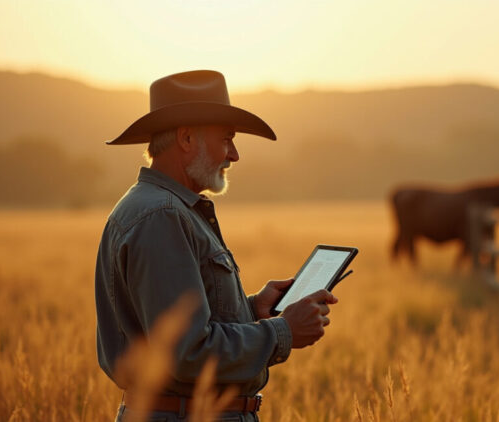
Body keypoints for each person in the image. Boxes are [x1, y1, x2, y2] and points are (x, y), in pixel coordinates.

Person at [95, 70, 337, 422]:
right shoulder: (162, 216)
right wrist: (284, 331)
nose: (234, 155)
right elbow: (188, 352)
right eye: (226, 139)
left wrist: (254, 308)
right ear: (187, 138)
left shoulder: (161, 208)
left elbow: (181, 329)